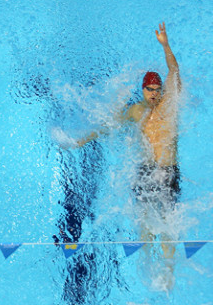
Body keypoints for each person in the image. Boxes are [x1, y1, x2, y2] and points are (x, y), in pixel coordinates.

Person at [60, 22, 182, 288]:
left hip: (167, 172)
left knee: (168, 223)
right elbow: (107, 126)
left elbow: (174, 71)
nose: (153, 93)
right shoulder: (135, 112)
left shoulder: (169, 107)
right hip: (145, 173)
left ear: (162, 90)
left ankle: (169, 274)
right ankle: (151, 277)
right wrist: (80, 141)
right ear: (143, 89)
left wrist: (165, 45)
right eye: (149, 89)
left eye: (157, 89)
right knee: (145, 227)